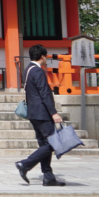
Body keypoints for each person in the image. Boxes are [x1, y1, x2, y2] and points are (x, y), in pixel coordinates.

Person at [16, 45, 66, 186]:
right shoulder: (38, 71)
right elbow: (44, 93)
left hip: (33, 112)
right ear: (43, 56)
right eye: (46, 56)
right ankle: (25, 164)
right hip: (42, 113)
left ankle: (48, 177)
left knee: (44, 143)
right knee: (52, 142)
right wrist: (54, 113)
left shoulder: (28, 70)